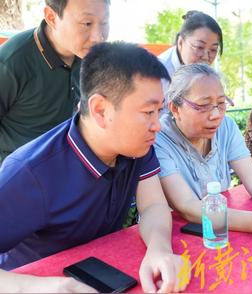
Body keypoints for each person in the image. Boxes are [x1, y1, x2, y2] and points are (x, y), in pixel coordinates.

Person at [0, 42, 189, 293]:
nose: (158, 125)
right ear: (100, 110)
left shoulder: (135, 147)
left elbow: (153, 205)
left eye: (159, 111)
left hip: (102, 273)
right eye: (148, 112)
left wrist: (159, 249)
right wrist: (54, 287)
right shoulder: (30, 173)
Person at [154, 63, 252, 246]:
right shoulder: (159, 139)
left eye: (221, 103)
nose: (216, 115)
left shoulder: (226, 127)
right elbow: (187, 206)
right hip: (174, 237)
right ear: (175, 108)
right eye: (204, 105)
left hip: (223, 229)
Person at [0, 0, 110, 165]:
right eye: (87, 23)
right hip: (18, 176)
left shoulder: (94, 57)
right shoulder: (12, 62)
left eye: (104, 23)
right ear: (51, 17)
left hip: (72, 169)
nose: (98, 37)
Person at [158, 10, 223, 111]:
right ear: (180, 42)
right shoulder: (159, 74)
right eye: (199, 47)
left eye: (213, 50)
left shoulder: (203, 73)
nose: (206, 57)